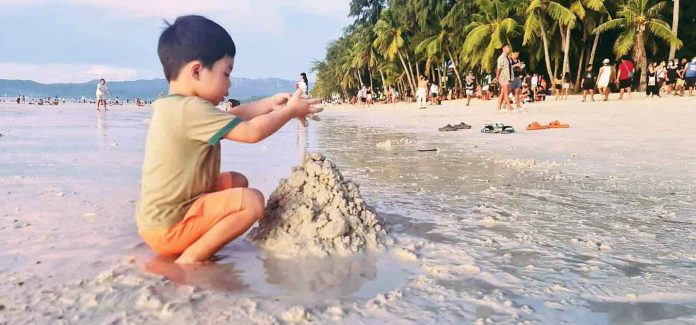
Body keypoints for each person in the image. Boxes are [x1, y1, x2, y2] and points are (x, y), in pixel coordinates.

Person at [136, 16, 323, 264]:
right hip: (169, 227)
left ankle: (196, 241)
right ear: (197, 71)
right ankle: (189, 260)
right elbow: (250, 132)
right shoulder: (190, 110)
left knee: (237, 181)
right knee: (252, 202)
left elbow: (233, 117)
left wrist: (269, 104)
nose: (230, 83)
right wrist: (289, 111)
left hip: (161, 218)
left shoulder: (176, 106)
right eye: (226, 73)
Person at [494, 44, 513, 112]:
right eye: (507, 47)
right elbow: (499, 68)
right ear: (503, 48)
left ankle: (498, 107)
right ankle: (509, 106)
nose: (509, 49)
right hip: (503, 77)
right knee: (506, 92)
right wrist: (496, 77)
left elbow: (509, 68)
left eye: (509, 47)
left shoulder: (508, 58)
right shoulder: (501, 58)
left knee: (503, 92)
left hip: (508, 77)